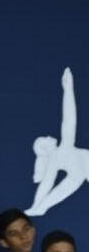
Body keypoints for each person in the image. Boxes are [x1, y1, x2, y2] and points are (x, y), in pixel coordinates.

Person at [26, 69, 88, 216]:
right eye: (45, 139)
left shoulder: (55, 160)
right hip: (81, 170)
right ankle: (39, 208)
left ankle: (39, 208)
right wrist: (68, 88)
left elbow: (46, 186)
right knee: (62, 190)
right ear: (46, 149)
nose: (48, 136)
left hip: (84, 166)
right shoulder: (62, 150)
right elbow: (69, 118)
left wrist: (68, 88)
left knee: (62, 189)